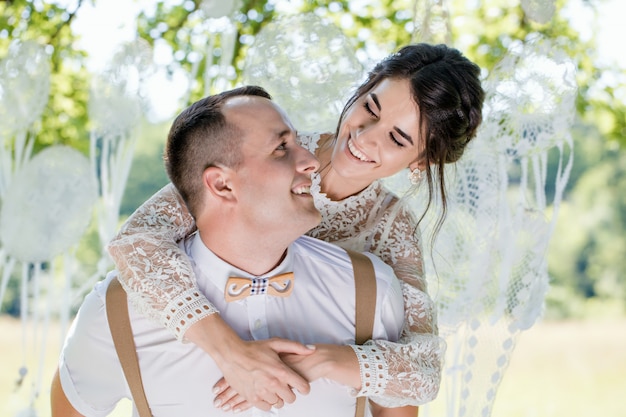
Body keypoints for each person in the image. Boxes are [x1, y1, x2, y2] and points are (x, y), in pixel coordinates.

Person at [107, 43, 485, 411]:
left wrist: (322, 360)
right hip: (193, 370)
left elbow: (422, 370)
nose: (365, 136)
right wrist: (231, 353)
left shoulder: (392, 227)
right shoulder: (261, 153)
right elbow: (135, 243)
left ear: (422, 161)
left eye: (397, 138)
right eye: (370, 107)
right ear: (363, 88)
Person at [51, 86, 411, 416]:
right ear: (222, 184)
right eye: (282, 148)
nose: (312, 162)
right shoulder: (115, 310)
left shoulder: (373, 290)